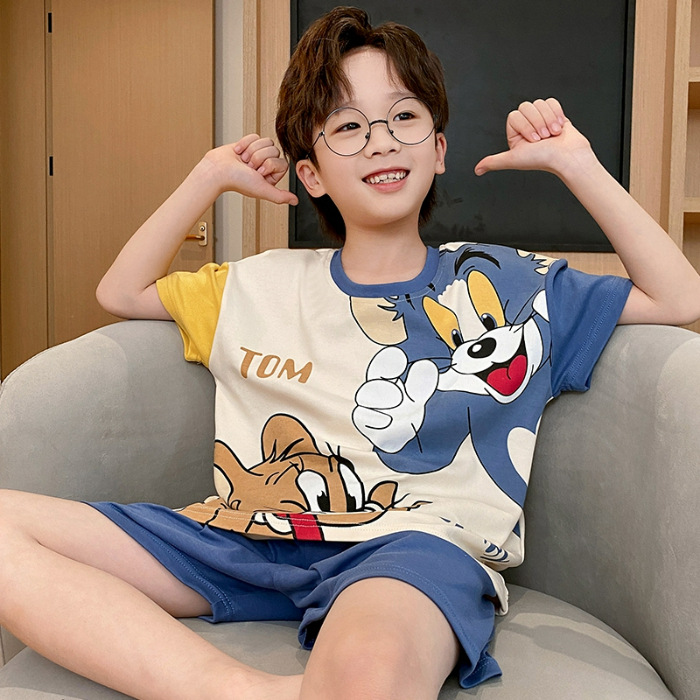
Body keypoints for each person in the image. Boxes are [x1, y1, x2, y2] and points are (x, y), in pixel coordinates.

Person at [2, 6, 700, 700]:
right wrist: (208, 177)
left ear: (439, 149)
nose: (380, 141)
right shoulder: (258, 284)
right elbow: (120, 289)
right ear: (310, 175)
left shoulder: (505, 283)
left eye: (403, 117)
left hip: (412, 548)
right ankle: (235, 691)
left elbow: (678, 297)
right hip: (245, 537)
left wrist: (576, 164)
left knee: (368, 675)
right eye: (347, 126)